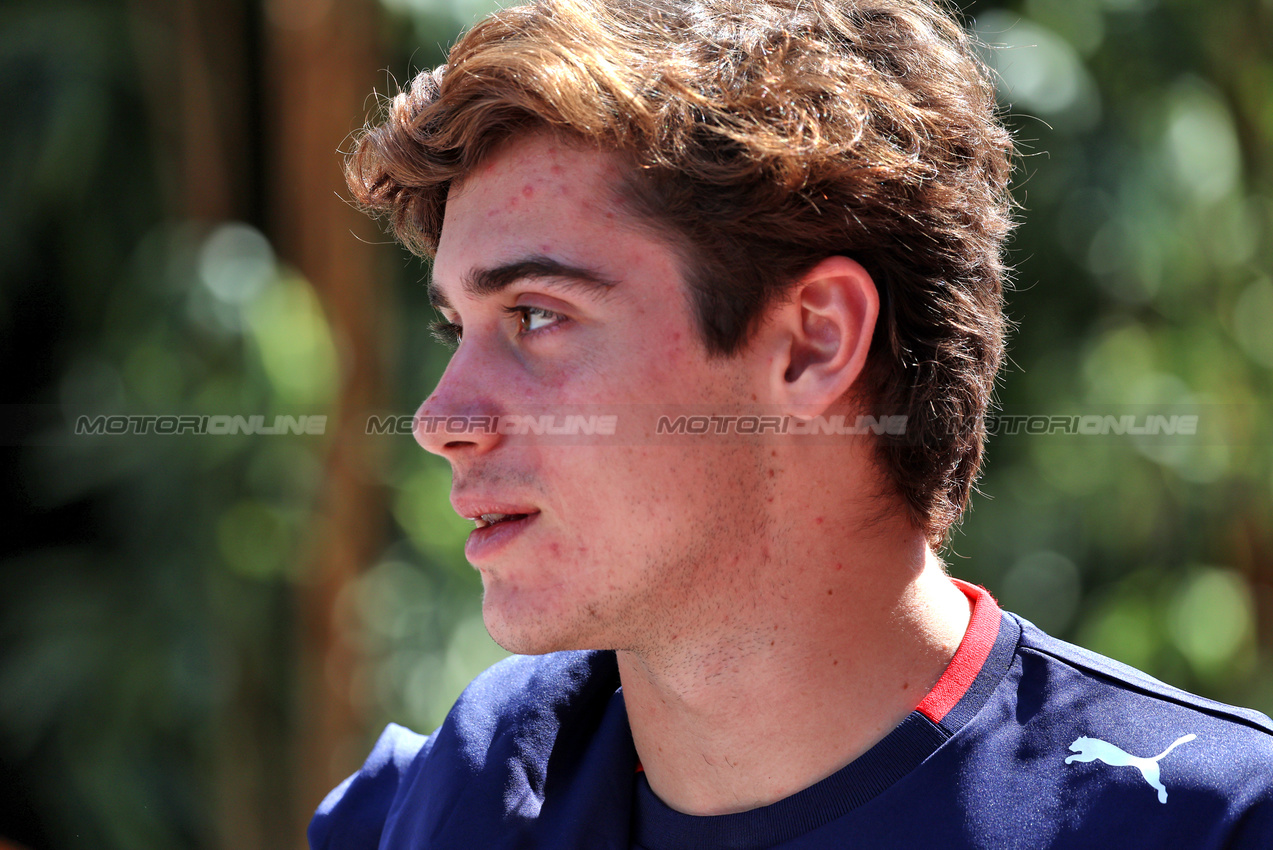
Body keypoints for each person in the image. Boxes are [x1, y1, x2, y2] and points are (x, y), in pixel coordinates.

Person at [309, 0, 1273, 847]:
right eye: (455, 328)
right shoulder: (432, 812)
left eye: (535, 315)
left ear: (814, 343)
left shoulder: (1207, 823)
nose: (440, 419)